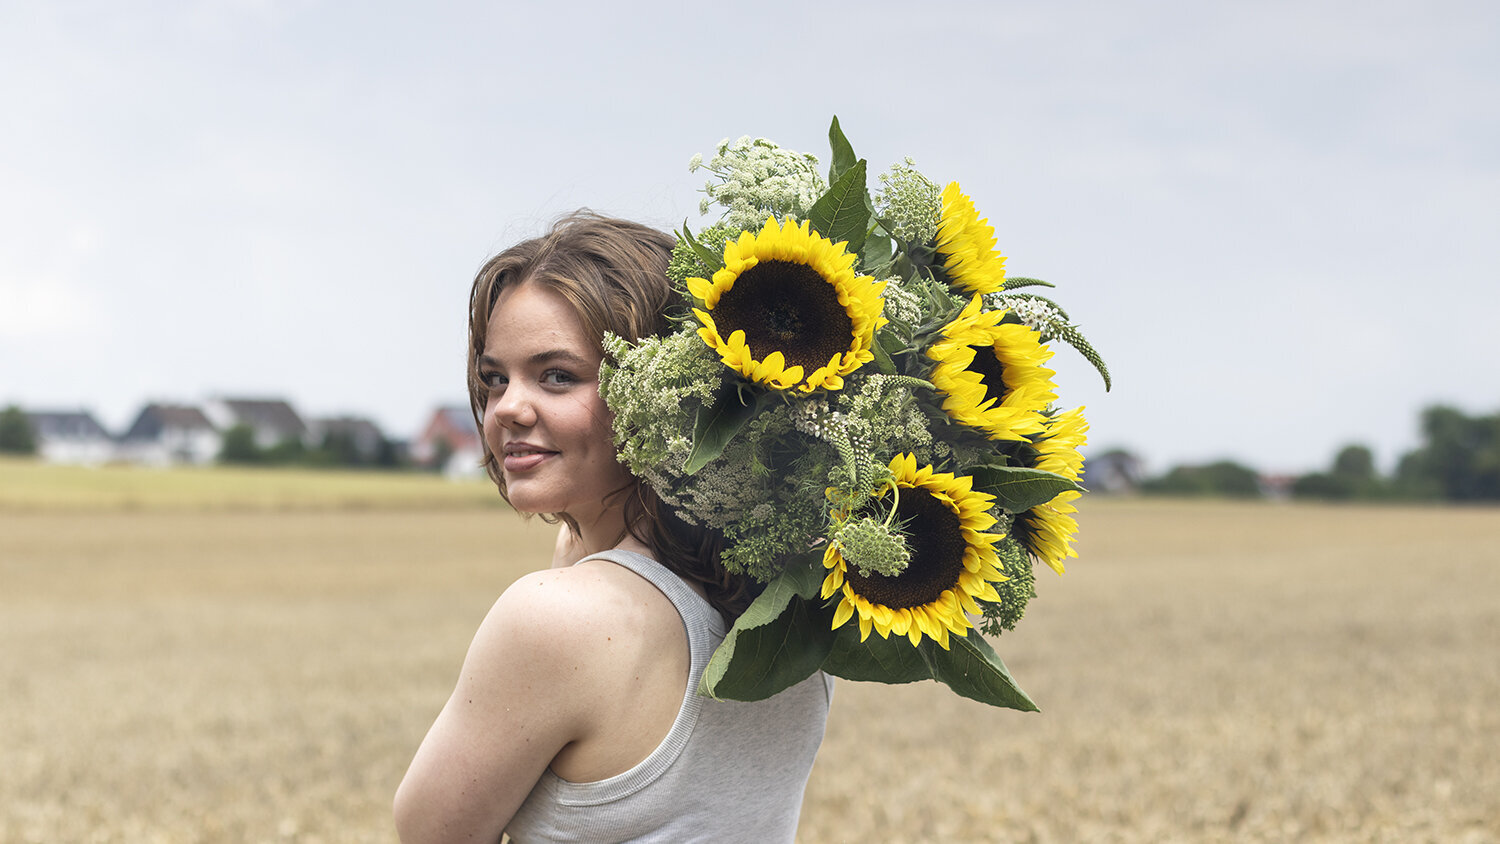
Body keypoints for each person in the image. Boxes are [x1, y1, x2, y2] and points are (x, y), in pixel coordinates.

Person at [393, 212, 832, 843]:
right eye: (495, 378)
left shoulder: (559, 618)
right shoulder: (794, 591)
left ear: (663, 391)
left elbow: (428, 834)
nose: (507, 408)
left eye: (558, 376)